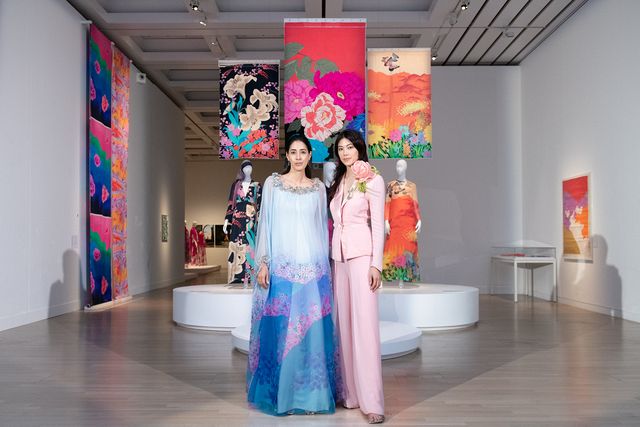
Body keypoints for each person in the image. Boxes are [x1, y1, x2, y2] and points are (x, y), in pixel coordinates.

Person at [247, 134, 338, 416]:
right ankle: (281, 398)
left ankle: (312, 398)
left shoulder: (318, 188)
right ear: (287, 156)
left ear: (310, 156)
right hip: (281, 269)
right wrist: (263, 263)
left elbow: (322, 230)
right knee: (281, 332)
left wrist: (326, 269)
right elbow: (265, 224)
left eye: (303, 152)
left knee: (311, 334)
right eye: (294, 152)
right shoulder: (273, 184)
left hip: (313, 270)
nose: (298, 157)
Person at [328, 129, 385, 424]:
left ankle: (373, 403)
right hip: (339, 258)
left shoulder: (373, 179)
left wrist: (376, 265)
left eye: (350, 147)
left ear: (359, 148)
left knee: (365, 330)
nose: (345, 152)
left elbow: (378, 225)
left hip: (362, 258)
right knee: (344, 329)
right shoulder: (339, 180)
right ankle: (350, 395)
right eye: (341, 148)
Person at [224, 160, 262, 284]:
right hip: (237, 219)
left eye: (250, 167)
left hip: (251, 219)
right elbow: (231, 203)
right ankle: (236, 276)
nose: (248, 170)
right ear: (242, 170)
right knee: (237, 244)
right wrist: (227, 220)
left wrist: (261, 220)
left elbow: (260, 204)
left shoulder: (257, 185)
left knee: (250, 244)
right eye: (245, 167)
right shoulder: (236, 185)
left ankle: (250, 276)